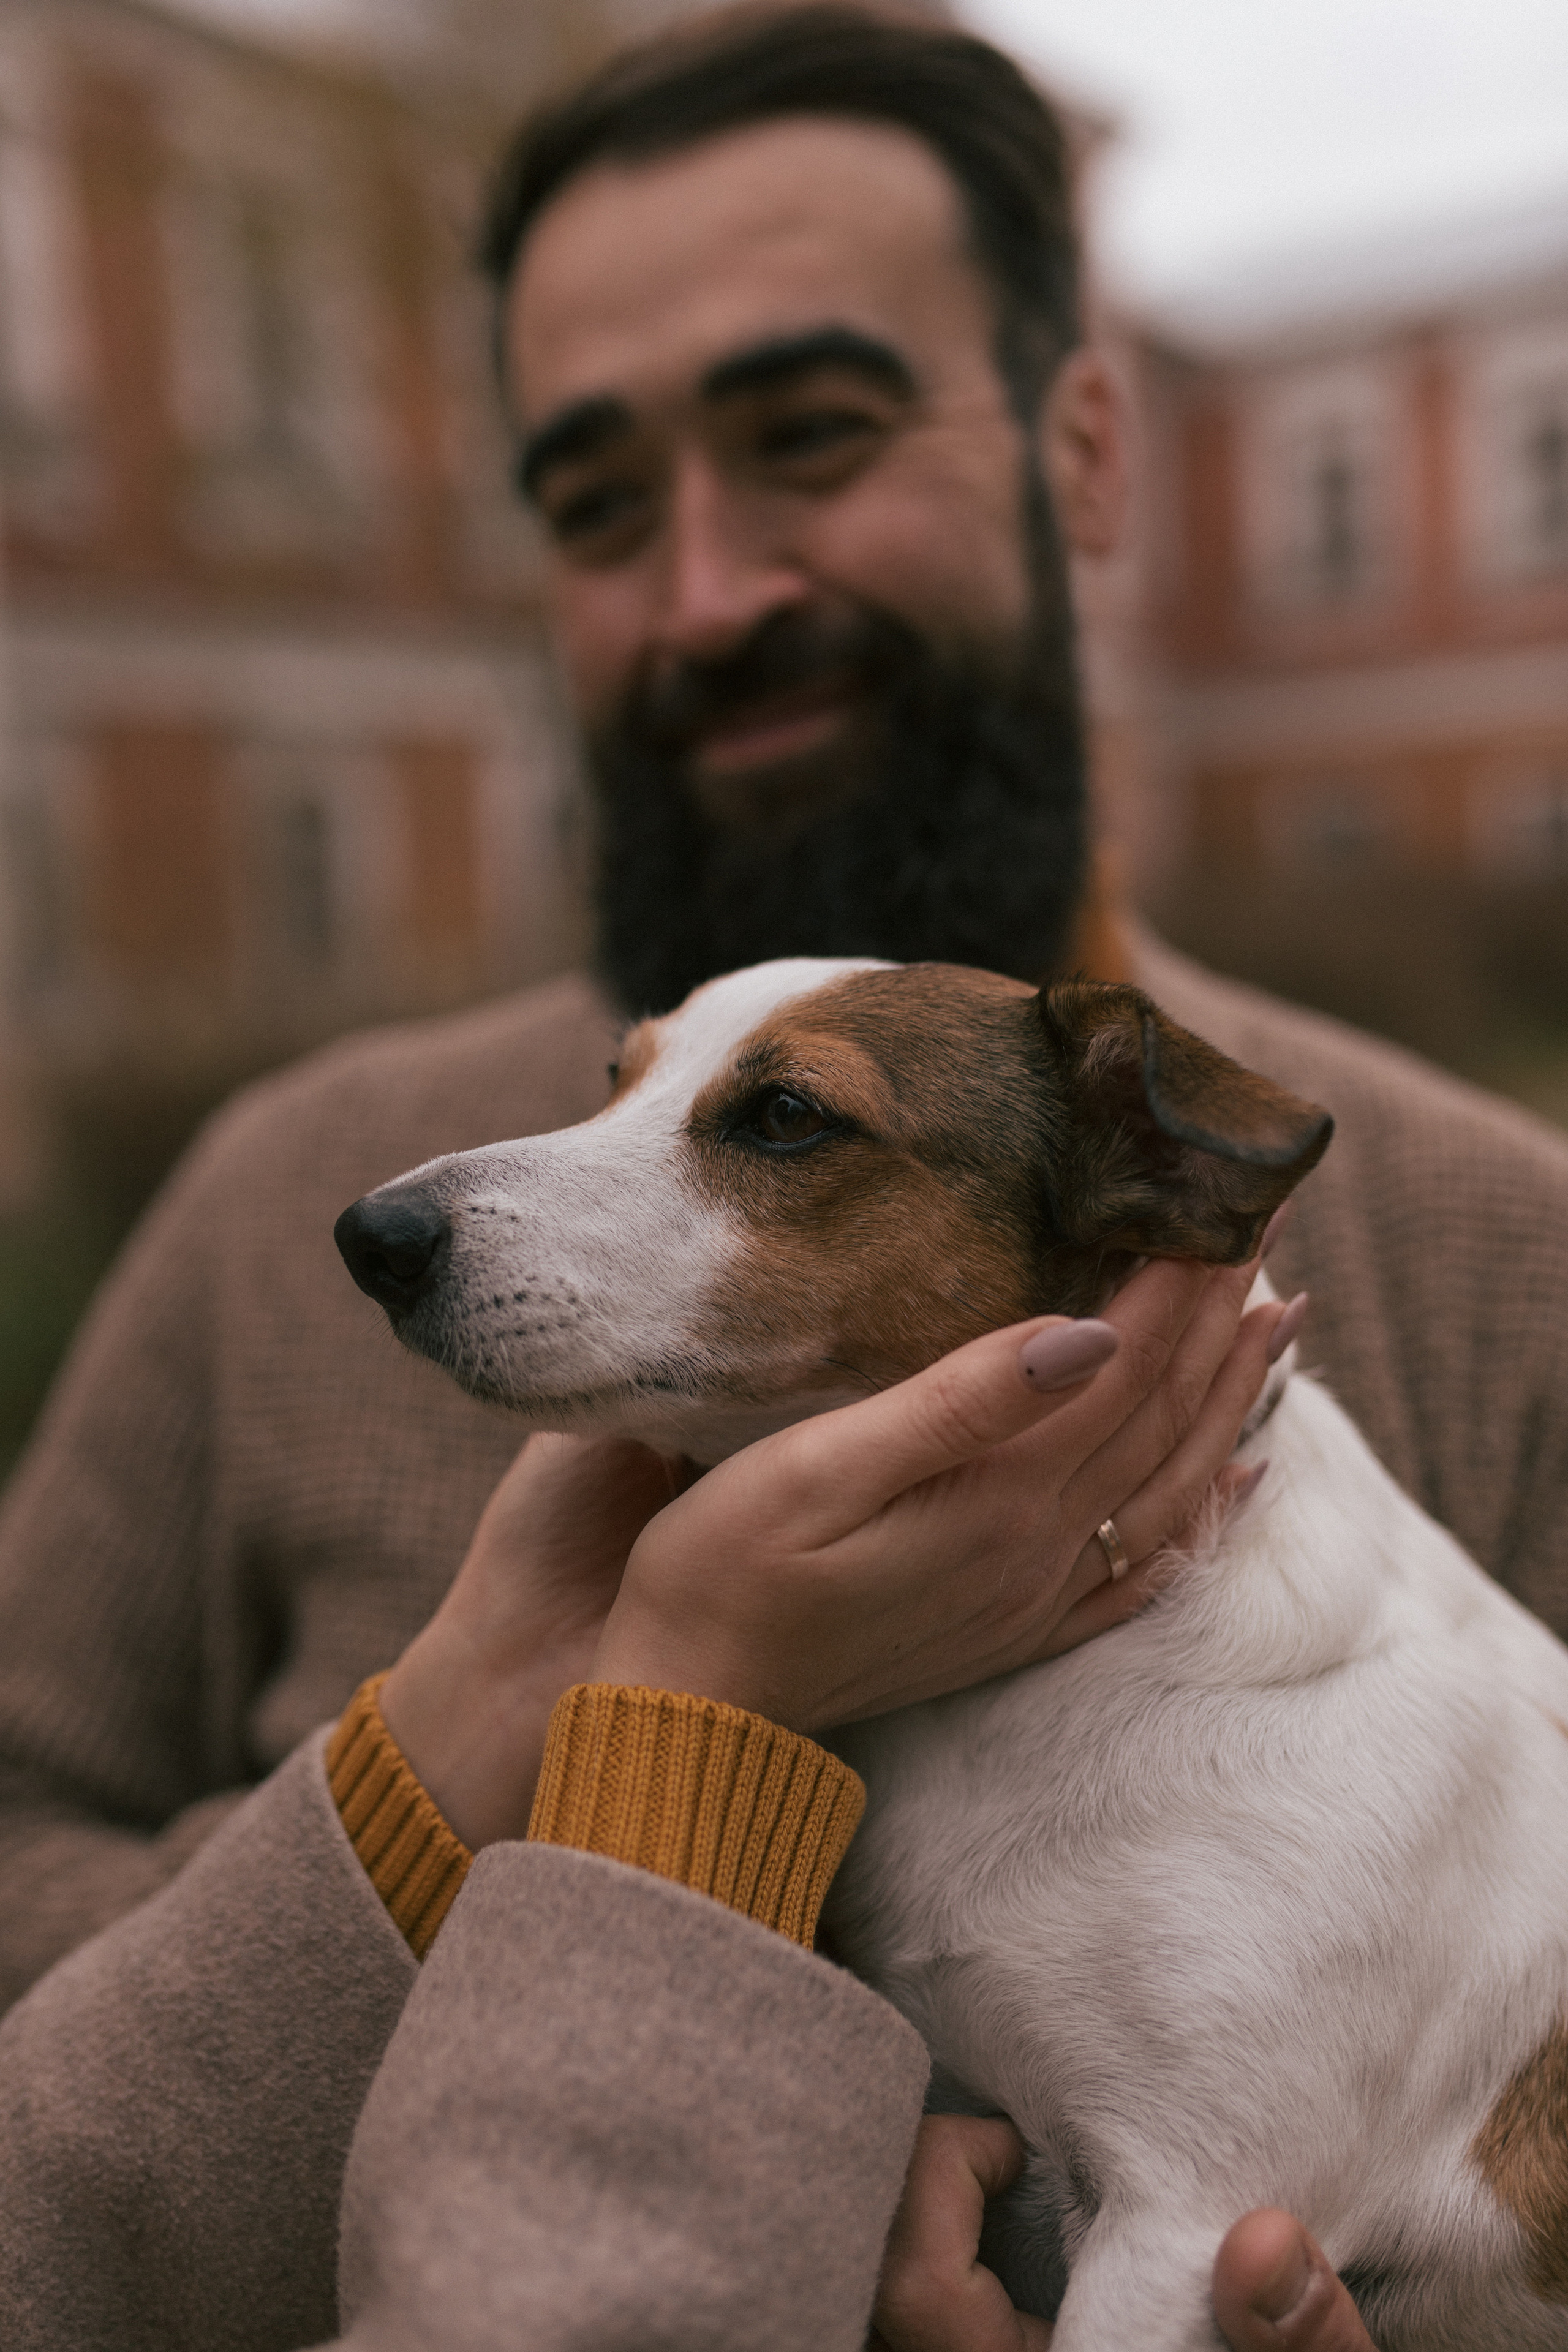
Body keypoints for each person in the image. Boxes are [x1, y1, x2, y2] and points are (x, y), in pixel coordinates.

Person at [0, 4, 1562, 2343]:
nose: (710, 588)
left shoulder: (1508, 1249)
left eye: (811, 435)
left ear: (1087, 444)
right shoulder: (280, 1211)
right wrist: (442, 1784)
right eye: (597, 499)